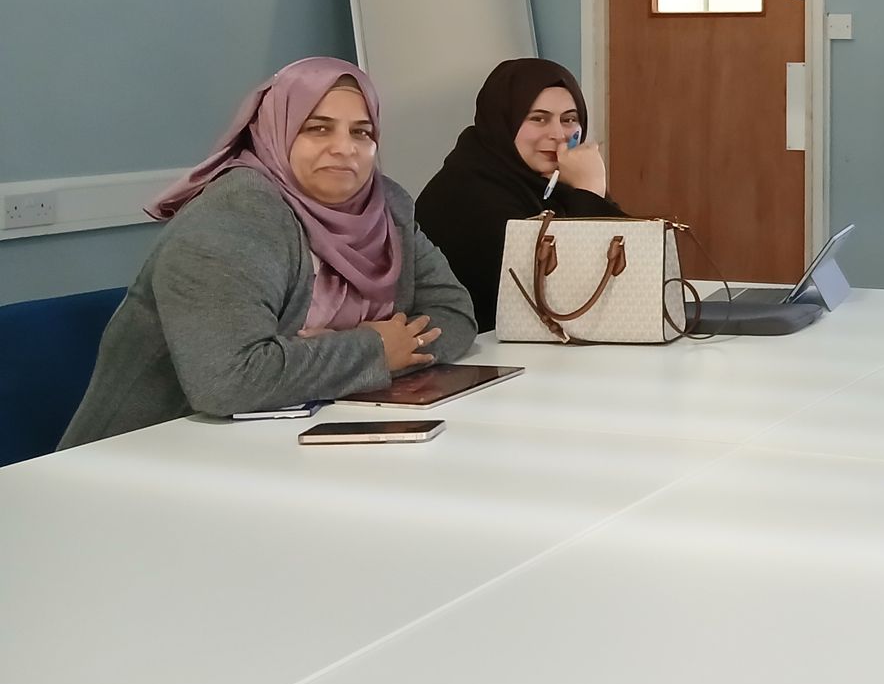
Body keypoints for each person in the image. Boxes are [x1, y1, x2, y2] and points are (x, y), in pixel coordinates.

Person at [60, 58, 477, 447]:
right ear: (275, 130)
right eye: (317, 128)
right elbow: (227, 381)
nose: (344, 147)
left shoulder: (386, 206)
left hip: (302, 440)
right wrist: (373, 349)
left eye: (361, 132)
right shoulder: (232, 217)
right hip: (149, 455)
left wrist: (347, 355)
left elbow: (455, 313)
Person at [415, 58, 626, 331]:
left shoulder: (556, 182)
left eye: (569, 119)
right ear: (503, 120)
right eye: (538, 118)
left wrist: (589, 192)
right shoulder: (467, 191)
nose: (559, 134)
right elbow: (559, 292)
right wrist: (589, 193)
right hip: (480, 356)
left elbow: (623, 273)